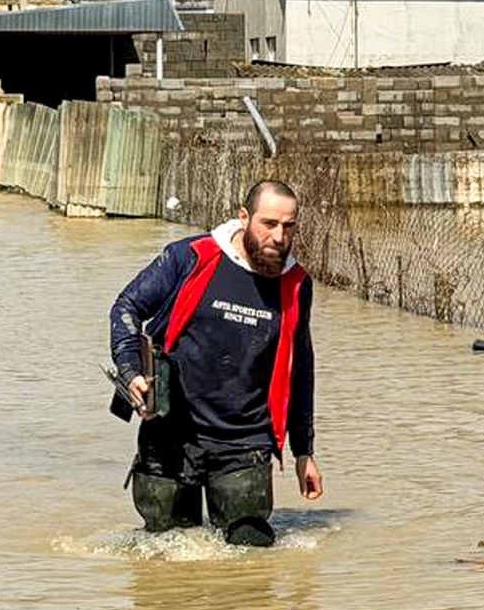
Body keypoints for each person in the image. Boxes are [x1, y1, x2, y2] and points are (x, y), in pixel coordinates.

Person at [109, 179, 323, 547]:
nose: (279, 237)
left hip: (245, 444)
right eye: (269, 224)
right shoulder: (191, 257)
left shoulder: (296, 284)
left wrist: (304, 452)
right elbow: (127, 308)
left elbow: (299, 369)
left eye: (289, 226)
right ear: (244, 217)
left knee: (251, 555)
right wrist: (131, 373)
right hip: (169, 435)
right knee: (163, 555)